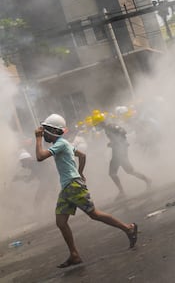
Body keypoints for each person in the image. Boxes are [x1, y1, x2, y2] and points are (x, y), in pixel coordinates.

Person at [34, 113, 138, 268]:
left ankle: (128, 228)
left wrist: (37, 138)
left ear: (55, 131)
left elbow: (40, 156)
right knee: (61, 222)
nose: (44, 134)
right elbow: (82, 155)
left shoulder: (61, 144)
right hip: (67, 187)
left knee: (94, 214)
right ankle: (74, 254)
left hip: (73, 186)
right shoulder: (65, 143)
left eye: (47, 130)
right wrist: (80, 172)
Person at [92, 111, 151, 200]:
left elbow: (123, 132)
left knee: (114, 173)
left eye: (96, 125)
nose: (96, 127)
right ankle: (146, 180)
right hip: (119, 150)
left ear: (101, 123)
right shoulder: (108, 128)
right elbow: (120, 134)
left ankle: (123, 191)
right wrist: (113, 143)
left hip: (120, 151)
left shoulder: (110, 127)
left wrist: (118, 143)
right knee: (128, 171)